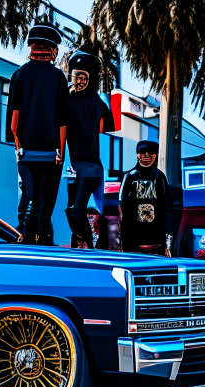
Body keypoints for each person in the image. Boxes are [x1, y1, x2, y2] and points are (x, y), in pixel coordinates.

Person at [7, 23, 69, 245]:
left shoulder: (20, 74)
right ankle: (43, 237)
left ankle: (24, 234)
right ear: (51, 50)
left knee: (27, 193)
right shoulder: (59, 78)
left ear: (31, 47)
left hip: (26, 149)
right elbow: (63, 121)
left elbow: (14, 118)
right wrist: (61, 151)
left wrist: (17, 146)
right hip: (51, 151)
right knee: (45, 197)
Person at [64, 45, 115, 249]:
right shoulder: (67, 99)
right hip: (72, 166)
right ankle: (84, 242)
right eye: (77, 76)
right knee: (72, 210)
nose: (79, 80)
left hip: (91, 166)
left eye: (83, 77)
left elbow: (106, 127)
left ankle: (94, 246)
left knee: (78, 211)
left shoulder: (98, 100)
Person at [118, 140, 174, 256]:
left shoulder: (160, 177)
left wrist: (167, 239)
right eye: (142, 152)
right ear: (137, 155)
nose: (146, 156)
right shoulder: (129, 177)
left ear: (156, 155)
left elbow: (166, 206)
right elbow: (121, 206)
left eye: (150, 153)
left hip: (155, 233)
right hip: (132, 232)